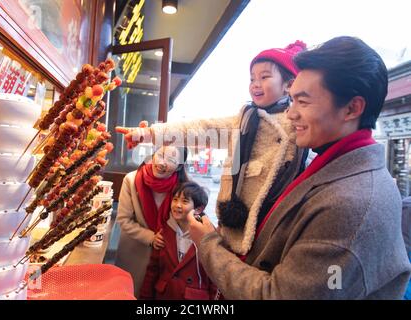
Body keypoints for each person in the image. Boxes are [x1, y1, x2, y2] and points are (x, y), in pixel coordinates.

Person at [186, 36, 411, 299]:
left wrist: (207, 244)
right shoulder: (330, 168)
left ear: (352, 108)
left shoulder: (350, 205)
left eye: (303, 102)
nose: (291, 114)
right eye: (291, 100)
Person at [116, 41, 308, 258]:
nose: (255, 83)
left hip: (276, 231)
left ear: (288, 85)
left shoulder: (299, 124)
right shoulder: (243, 121)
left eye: (264, 77)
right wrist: (149, 134)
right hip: (235, 228)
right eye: (252, 78)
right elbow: (199, 128)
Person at [114, 145, 189, 297]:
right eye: (160, 155)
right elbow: (123, 219)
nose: (162, 163)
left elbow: (187, 221)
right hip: (135, 252)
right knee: (129, 293)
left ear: (179, 166)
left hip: (167, 254)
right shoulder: (132, 179)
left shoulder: (183, 188)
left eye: (171, 160)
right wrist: (151, 237)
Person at [139, 181, 217, 300]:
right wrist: (145, 297)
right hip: (165, 295)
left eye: (185, 201)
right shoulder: (164, 231)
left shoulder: (208, 235)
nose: (177, 205)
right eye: (175, 200)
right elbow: (153, 269)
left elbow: (215, 278)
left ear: (198, 209)